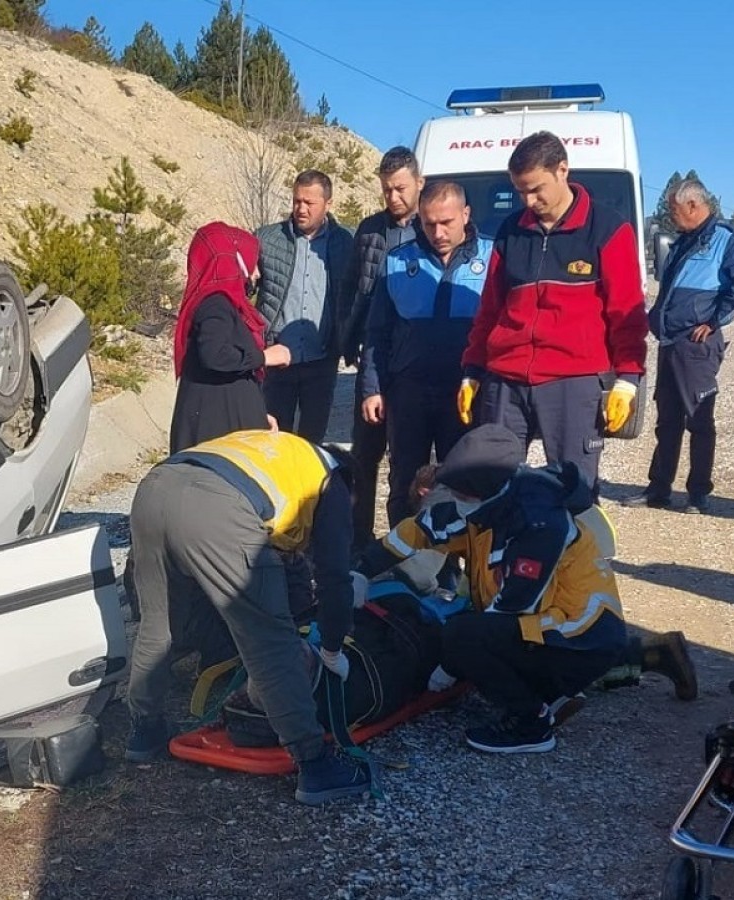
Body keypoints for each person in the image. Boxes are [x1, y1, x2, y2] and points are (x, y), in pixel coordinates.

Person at [124, 429, 371, 805]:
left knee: (160, 622)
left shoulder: (282, 453)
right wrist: (333, 650)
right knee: (270, 642)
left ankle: (145, 730)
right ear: (348, 482)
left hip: (155, 488)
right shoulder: (331, 482)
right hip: (216, 507)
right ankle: (315, 765)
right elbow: (335, 580)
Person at [355, 425, 628, 753]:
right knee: (468, 634)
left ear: (477, 492)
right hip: (560, 628)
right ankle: (551, 690)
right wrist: (360, 572)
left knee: (463, 636)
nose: (454, 501)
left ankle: (531, 723)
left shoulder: (538, 524)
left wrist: (450, 664)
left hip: (581, 636)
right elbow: (417, 532)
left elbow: (516, 604)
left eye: (459, 494)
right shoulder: (492, 501)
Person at [460, 131, 648, 491]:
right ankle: (505, 549)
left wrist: (628, 378)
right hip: (505, 380)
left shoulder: (608, 229)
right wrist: (472, 370)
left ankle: (582, 549)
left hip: (573, 381)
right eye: (519, 191)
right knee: (492, 486)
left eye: (535, 189)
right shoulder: (510, 231)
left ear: (563, 170)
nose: (528, 200)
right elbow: (489, 310)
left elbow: (627, 311)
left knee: (573, 491)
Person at [623, 177, 734, 514]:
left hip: (696, 346)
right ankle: (659, 489)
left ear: (694, 205)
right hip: (670, 342)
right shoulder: (685, 241)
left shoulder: (725, 241)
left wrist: (714, 321)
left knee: (699, 419)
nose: (671, 215)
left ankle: (698, 492)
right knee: (667, 419)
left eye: (674, 209)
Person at [360, 180, 491, 527]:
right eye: (429, 223)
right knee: (404, 481)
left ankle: (455, 564)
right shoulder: (398, 261)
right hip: (409, 392)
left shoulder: (493, 259)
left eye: (446, 222)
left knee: (462, 480)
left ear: (466, 215)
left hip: (465, 393)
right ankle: (402, 557)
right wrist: (372, 388)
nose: (438, 232)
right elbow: (377, 333)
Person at [340, 147, 423, 554]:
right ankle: (358, 541)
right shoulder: (370, 230)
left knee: (409, 459)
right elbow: (352, 287)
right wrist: (347, 334)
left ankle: (410, 540)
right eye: (387, 190)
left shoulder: (433, 229)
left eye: (401, 188)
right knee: (364, 454)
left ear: (419, 183)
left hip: (415, 361)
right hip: (375, 353)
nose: (393, 197)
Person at [169, 222, 291, 453]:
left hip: (222, 428)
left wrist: (257, 417)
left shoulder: (220, 304)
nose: (257, 273)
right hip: (214, 442)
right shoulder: (216, 305)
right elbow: (215, 355)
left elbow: (226, 381)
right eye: (253, 261)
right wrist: (264, 357)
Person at [255, 170, 354, 443]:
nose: (301, 208)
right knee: (273, 439)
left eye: (309, 203)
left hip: (321, 360)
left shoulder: (346, 243)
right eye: (297, 201)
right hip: (277, 360)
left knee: (312, 441)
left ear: (328, 204)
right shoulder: (268, 239)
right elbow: (247, 289)